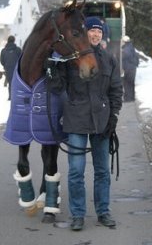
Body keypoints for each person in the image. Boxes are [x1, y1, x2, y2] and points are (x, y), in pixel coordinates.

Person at [47, 16, 123, 231]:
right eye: (92, 30)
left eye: (99, 31)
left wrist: (113, 117)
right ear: (85, 33)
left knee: (102, 171)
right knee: (76, 172)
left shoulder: (109, 59)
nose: (96, 34)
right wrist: (52, 69)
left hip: (101, 122)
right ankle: (78, 214)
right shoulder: (72, 58)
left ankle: (103, 212)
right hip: (76, 120)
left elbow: (116, 90)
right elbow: (57, 87)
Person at [0, 35, 22, 100]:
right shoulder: (18, 50)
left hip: (8, 68)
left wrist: (5, 65)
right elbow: (21, 58)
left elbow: (2, 60)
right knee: (17, 83)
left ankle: (10, 96)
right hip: (17, 68)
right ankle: (17, 96)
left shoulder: (3, 50)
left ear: (8, 41)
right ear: (14, 40)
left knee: (10, 83)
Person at [121, 35, 139, 102]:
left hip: (128, 68)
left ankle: (128, 98)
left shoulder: (126, 48)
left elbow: (126, 56)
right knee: (131, 83)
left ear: (124, 41)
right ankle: (132, 97)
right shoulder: (131, 46)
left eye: (122, 41)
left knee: (127, 83)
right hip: (132, 67)